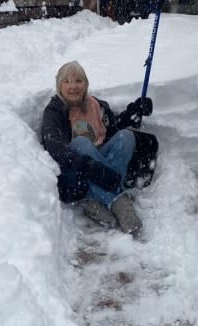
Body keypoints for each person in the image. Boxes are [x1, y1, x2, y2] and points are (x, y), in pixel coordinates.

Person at [41, 61, 156, 234]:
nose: (73, 86)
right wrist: (88, 165)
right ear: (59, 86)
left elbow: (113, 127)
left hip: (101, 159)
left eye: (78, 80)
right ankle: (118, 201)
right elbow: (53, 145)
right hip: (75, 169)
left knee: (126, 137)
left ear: (85, 84)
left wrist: (135, 111)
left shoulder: (96, 105)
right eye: (67, 81)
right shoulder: (54, 111)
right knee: (82, 143)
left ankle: (95, 201)